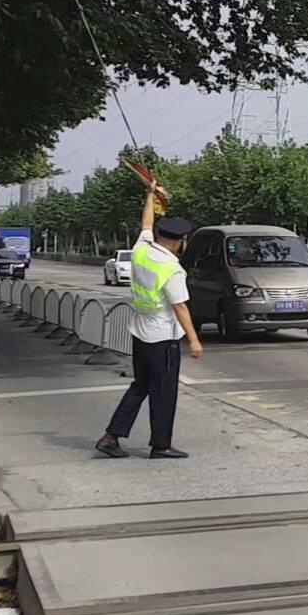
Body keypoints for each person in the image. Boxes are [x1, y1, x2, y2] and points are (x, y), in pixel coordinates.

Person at [96, 187, 202, 459]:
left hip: (139, 333)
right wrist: (193, 340)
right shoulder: (171, 268)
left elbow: (145, 222)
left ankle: (111, 436)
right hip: (162, 338)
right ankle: (161, 445)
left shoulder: (140, 250)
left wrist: (150, 196)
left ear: (159, 235)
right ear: (180, 242)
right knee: (164, 392)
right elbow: (180, 306)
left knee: (140, 386)